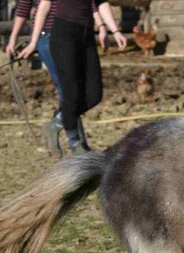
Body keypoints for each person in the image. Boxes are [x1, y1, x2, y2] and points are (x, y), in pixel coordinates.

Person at [18, 0, 126, 155]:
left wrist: (115, 31)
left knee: (94, 94)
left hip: (86, 36)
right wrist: (34, 42)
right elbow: (44, 6)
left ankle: (57, 123)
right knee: (71, 93)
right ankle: (75, 144)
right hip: (63, 35)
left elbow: (101, 3)